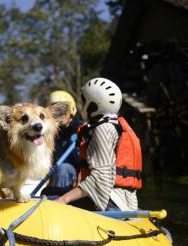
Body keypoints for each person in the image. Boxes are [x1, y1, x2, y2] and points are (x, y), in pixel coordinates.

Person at [55, 77, 142, 211]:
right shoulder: (113, 125)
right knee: (49, 192)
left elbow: (102, 177)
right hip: (117, 199)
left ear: (92, 103)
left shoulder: (103, 129)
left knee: (51, 198)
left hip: (112, 203)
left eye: (84, 99)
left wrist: (63, 199)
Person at [40, 90, 82, 196]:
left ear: (71, 111)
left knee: (64, 168)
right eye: (55, 111)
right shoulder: (52, 135)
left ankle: (59, 204)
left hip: (80, 177)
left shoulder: (81, 130)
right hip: (60, 175)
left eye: (62, 111)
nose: (58, 114)